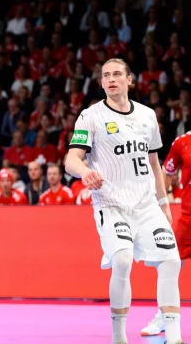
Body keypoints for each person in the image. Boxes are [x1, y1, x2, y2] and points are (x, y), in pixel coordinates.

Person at [64, 58, 183, 344]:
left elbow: (154, 163)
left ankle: (175, 336)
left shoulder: (146, 115)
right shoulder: (90, 117)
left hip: (146, 205)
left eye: (117, 74)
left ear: (129, 80)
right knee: (122, 259)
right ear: (102, 82)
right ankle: (119, 337)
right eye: (106, 75)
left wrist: (163, 202)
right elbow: (71, 159)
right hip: (111, 203)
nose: (111, 79)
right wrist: (85, 172)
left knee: (171, 260)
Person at [141, 129, 191, 336]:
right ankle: (163, 317)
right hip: (189, 218)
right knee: (169, 264)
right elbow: (166, 174)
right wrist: (159, 204)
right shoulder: (182, 142)